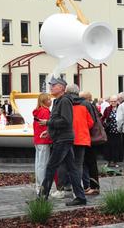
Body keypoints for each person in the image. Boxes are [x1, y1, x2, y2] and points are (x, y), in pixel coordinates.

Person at [38, 76, 86, 206]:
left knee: (50, 167)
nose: (51, 87)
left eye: (53, 85)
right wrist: (49, 131)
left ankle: (42, 197)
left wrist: (48, 122)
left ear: (61, 88)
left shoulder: (64, 101)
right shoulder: (58, 101)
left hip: (63, 139)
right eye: (51, 85)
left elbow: (66, 121)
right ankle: (81, 197)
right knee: (72, 168)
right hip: (63, 138)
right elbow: (59, 120)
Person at [65, 84, 94, 193]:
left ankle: (68, 185)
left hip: (67, 138)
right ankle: (79, 188)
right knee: (79, 164)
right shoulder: (85, 104)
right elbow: (91, 122)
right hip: (82, 138)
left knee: (67, 163)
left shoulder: (65, 103)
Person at [80, 91, 101, 195]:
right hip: (90, 138)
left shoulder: (85, 105)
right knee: (90, 162)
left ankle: (93, 187)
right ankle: (91, 186)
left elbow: (90, 122)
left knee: (90, 162)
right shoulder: (91, 105)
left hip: (89, 138)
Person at [32, 93, 52, 194]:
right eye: (49, 99)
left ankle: (38, 185)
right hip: (44, 140)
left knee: (38, 164)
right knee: (43, 164)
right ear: (44, 101)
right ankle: (42, 187)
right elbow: (47, 127)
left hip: (38, 140)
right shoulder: (45, 111)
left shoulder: (37, 111)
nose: (51, 101)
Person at [101, 95, 121, 167]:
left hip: (118, 131)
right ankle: (109, 161)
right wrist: (104, 124)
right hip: (109, 130)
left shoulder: (120, 108)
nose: (113, 103)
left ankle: (115, 161)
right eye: (111, 101)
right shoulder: (107, 109)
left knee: (116, 146)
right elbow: (103, 118)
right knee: (108, 146)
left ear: (117, 101)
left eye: (114, 101)